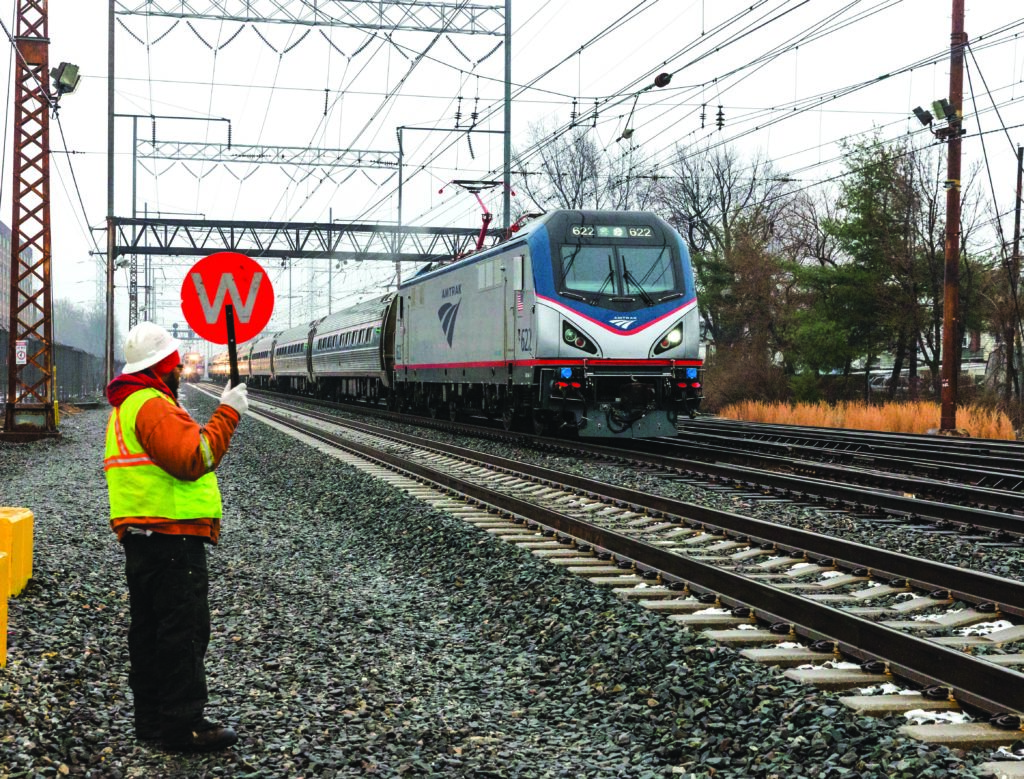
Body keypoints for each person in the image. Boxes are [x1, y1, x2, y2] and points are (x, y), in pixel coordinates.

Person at [103, 321, 249, 752]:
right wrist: (229, 412)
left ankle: (151, 720)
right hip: (171, 538)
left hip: (144, 537)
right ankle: (183, 725)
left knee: (149, 632)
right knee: (181, 633)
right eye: (176, 365)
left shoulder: (129, 405)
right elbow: (194, 456)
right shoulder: (151, 405)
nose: (180, 371)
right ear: (163, 366)